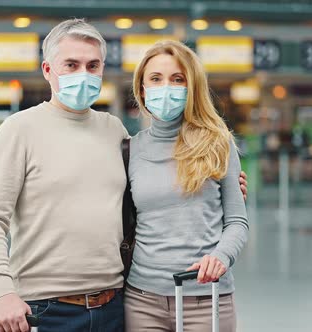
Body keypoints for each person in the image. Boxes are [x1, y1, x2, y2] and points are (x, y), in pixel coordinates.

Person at [0, 19, 248, 332]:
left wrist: (222, 190)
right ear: (48, 70)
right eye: (71, 65)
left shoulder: (115, 133)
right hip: (45, 308)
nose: (83, 75)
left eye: (92, 65)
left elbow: (150, 195)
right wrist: (2, 290)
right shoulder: (18, 131)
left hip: (114, 304)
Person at [123, 40, 248, 332]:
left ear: (191, 87)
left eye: (177, 79)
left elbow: (237, 222)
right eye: (155, 79)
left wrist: (221, 256)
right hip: (142, 301)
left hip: (208, 297)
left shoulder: (218, 143)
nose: (165, 87)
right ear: (141, 88)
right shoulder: (130, 150)